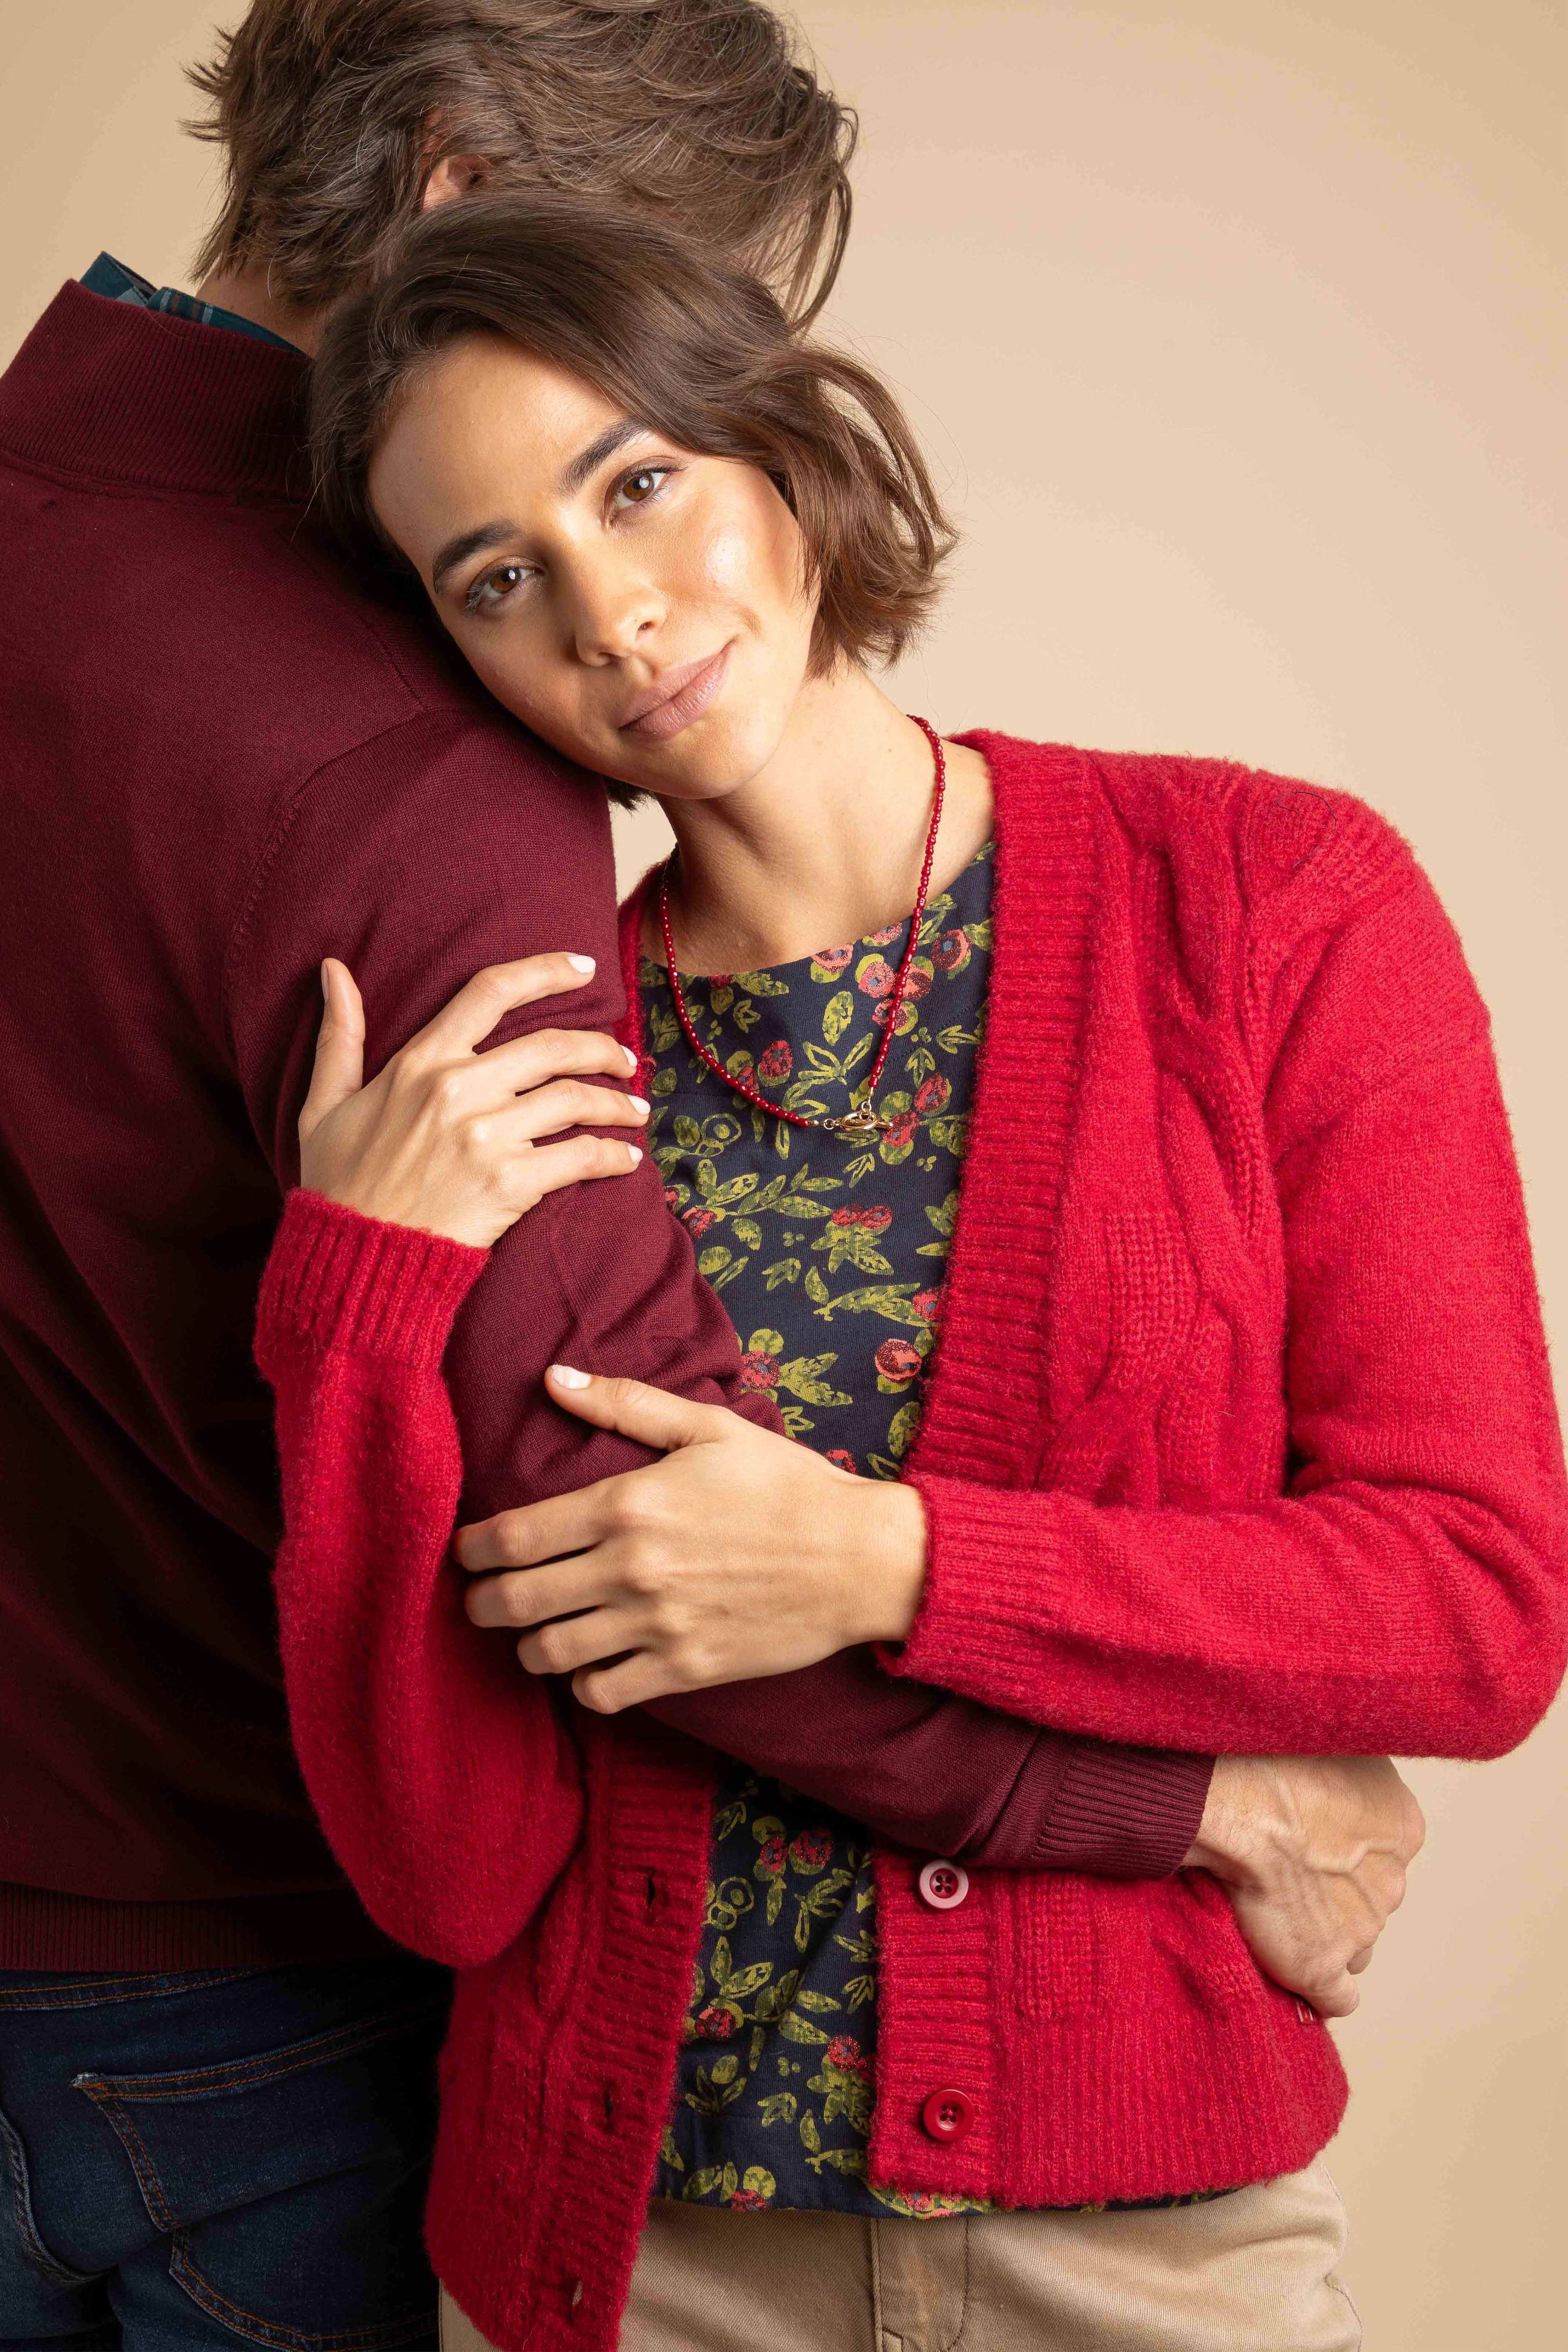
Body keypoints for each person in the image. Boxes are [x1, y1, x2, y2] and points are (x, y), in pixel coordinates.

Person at [0, 4, 1407, 2341]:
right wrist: (1202, 1807)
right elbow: (636, 1522)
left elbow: (1458, 1572)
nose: (618, 590)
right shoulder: (407, 750)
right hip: (263, 2026)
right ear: (461, 195)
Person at [249, 190, 1565, 2352]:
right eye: (499, 579)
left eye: (634, 484)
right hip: (625, 2253)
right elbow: (449, 1868)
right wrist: (351, 1317)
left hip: (1145, 2251)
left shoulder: (1271, 900)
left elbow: (1473, 1606)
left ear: (778, 445)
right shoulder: (530, 1087)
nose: (608, 612)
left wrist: (893, 1564)